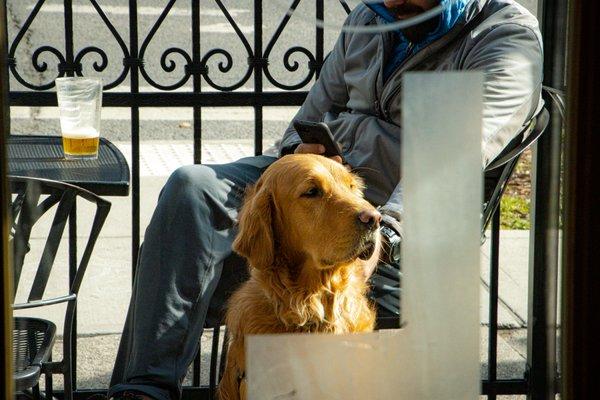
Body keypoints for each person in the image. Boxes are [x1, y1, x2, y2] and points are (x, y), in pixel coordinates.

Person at [108, 1, 543, 399]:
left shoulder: (502, 37)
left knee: (204, 264)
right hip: (317, 189)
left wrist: (389, 230)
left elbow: (452, 157)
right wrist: (300, 152)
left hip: (389, 207)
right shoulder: (369, 18)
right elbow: (306, 120)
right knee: (191, 186)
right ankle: (144, 389)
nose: (388, 6)